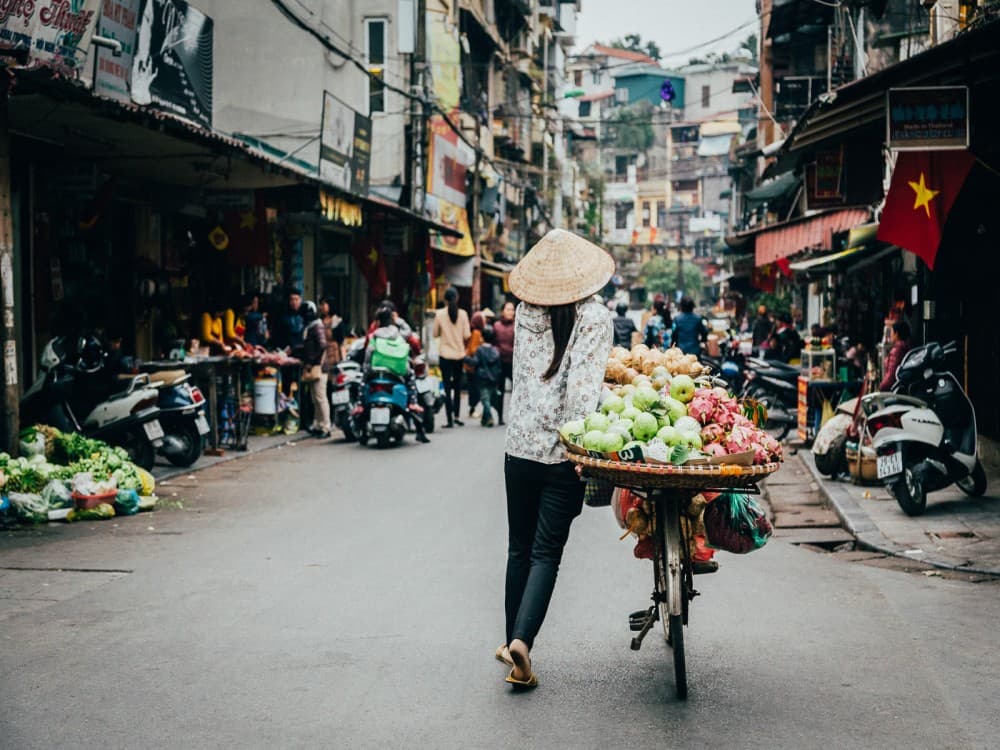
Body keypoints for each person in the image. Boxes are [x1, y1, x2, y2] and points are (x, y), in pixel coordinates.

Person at [499, 229, 614, 690]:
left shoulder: (526, 313)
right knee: (545, 552)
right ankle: (523, 643)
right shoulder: (594, 316)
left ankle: (511, 643)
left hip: (519, 449)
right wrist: (582, 452)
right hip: (563, 454)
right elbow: (582, 398)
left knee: (518, 547)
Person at [364, 307, 430, 443]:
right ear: (391, 320)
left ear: (377, 321)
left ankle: (362, 432)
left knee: (363, 382)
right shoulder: (398, 334)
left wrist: (366, 369)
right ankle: (413, 406)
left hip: (376, 371)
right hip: (397, 371)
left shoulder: (373, 336)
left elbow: (367, 355)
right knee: (411, 376)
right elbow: (409, 337)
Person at [433, 287, 471, 428]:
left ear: (445, 299)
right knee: (457, 386)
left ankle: (449, 419)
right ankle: (457, 416)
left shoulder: (439, 314)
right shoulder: (463, 314)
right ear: (457, 298)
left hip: (445, 354)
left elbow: (435, 333)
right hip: (459, 354)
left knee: (447, 388)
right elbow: (467, 335)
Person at [300, 301, 331, 438]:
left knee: (320, 397)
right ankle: (318, 424)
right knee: (315, 398)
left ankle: (326, 426)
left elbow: (322, 345)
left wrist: (313, 362)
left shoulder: (316, 326)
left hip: (319, 367)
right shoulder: (311, 326)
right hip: (314, 365)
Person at [465, 325, 503, 427]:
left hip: (482, 379)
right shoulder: (496, 350)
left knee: (485, 399)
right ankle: (484, 419)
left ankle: (489, 417)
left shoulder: (480, 350)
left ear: (482, 337)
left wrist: (465, 358)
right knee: (490, 398)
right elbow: (499, 366)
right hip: (493, 379)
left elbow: (475, 362)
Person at [493, 300, 516, 426]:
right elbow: (493, 343)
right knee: (500, 391)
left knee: (516, 392)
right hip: (500, 362)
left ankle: (514, 416)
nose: (510, 312)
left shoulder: (517, 325)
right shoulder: (496, 326)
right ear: (503, 311)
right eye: (508, 309)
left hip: (513, 363)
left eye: (512, 310)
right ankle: (500, 416)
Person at [880, 320, 912, 390]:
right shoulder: (906, 347)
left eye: (891, 332)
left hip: (894, 391)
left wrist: (881, 388)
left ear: (896, 334)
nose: (890, 335)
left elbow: (891, 376)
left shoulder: (897, 351)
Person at [465, 311, 486, 418]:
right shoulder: (477, 333)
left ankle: (472, 409)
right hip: (474, 365)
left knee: (473, 388)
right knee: (475, 388)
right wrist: (481, 346)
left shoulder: (474, 331)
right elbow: (473, 349)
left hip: (470, 365)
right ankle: (473, 410)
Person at [271, 288, 305, 353]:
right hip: (286, 351)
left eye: (296, 299)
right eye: (292, 300)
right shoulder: (282, 317)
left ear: (300, 300)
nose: (294, 302)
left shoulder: (305, 316)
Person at [319, 296, 345, 367]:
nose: (321, 307)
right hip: (323, 355)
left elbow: (341, 342)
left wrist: (343, 360)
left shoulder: (337, 321)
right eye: (320, 305)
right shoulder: (320, 321)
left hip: (334, 354)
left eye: (323, 304)